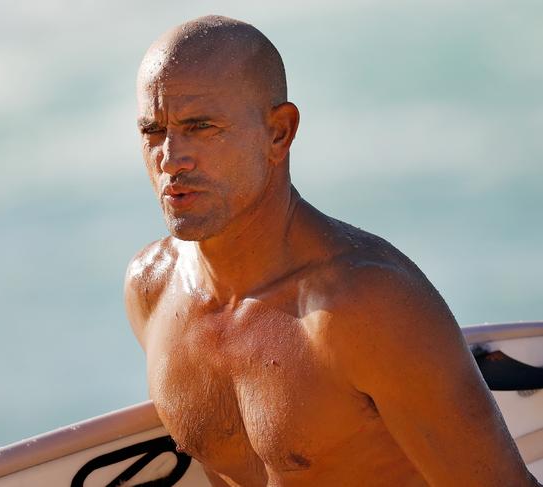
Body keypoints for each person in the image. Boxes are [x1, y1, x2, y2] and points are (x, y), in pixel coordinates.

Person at [125, 15, 539, 487]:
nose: (171, 157)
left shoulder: (364, 307)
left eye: (201, 127)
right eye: (153, 130)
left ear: (278, 133)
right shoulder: (152, 290)